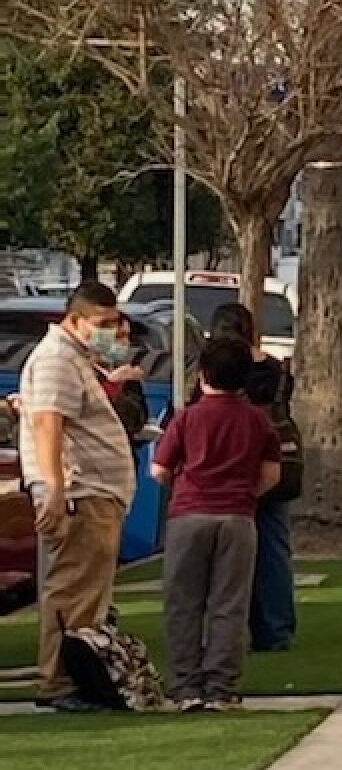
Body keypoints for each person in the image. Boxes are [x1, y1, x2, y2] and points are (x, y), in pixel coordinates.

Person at [18, 282, 138, 711]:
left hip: (95, 493)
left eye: (115, 322)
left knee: (86, 595)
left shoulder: (76, 359)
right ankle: (62, 681)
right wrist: (55, 490)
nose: (111, 331)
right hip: (81, 493)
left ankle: (76, 677)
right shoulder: (55, 360)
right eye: (103, 324)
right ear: (74, 320)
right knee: (73, 593)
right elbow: (49, 424)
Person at [152, 336, 281, 710]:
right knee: (229, 603)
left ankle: (187, 684)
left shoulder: (187, 418)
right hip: (237, 516)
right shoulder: (258, 421)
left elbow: (159, 469)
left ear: (204, 373)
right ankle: (221, 687)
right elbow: (271, 475)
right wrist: (245, 493)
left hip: (189, 514)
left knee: (183, 602)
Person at [209, 303, 297, 651]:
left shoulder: (215, 368)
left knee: (221, 558)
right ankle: (275, 629)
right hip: (269, 464)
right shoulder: (274, 370)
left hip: (223, 467)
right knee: (273, 550)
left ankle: (225, 633)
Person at [94, 312, 149, 457]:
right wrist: (113, 384)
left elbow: (136, 421)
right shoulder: (82, 372)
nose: (125, 343)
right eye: (119, 336)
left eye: (127, 336)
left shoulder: (127, 374)